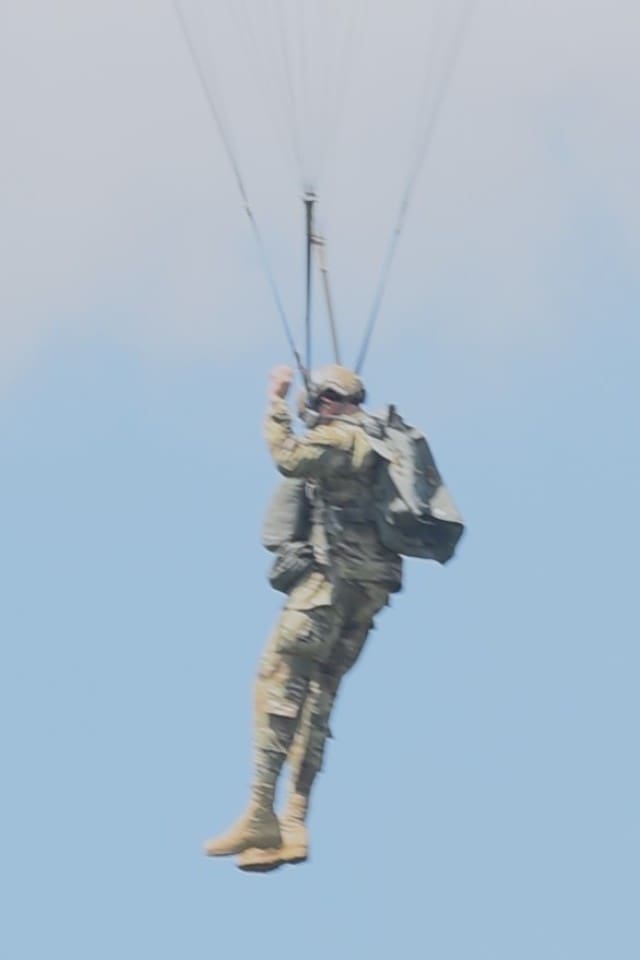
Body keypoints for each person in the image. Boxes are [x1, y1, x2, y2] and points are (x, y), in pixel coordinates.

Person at [204, 363, 402, 871]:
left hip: (329, 585)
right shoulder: (384, 441)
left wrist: (276, 402)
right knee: (318, 697)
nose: (316, 409)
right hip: (369, 590)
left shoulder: (341, 437)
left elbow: (288, 458)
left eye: (321, 401)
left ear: (334, 401)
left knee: (278, 680)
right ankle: (293, 821)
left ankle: (259, 810)